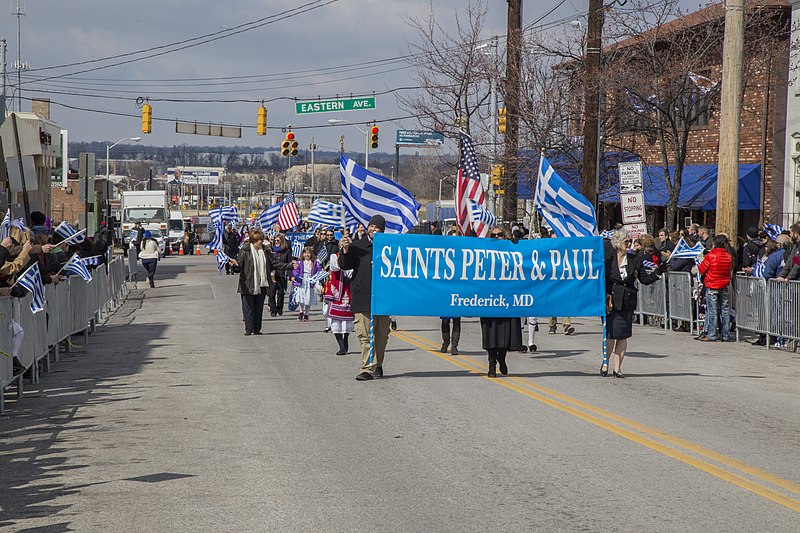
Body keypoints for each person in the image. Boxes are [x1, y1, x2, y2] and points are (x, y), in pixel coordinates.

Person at [604, 229, 665, 378]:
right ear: (618, 243)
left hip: (628, 300)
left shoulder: (634, 259)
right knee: (611, 334)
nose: (629, 244)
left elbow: (644, 279)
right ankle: (605, 362)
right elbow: (603, 280)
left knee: (623, 335)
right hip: (611, 300)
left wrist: (658, 272)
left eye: (630, 242)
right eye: (626, 242)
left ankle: (617, 368)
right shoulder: (608, 259)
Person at [338, 214, 391, 381]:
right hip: (362, 297)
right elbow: (345, 264)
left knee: (381, 336)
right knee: (365, 335)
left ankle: (378, 364)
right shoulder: (358, 246)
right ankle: (367, 368)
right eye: (371, 226)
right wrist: (345, 250)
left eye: (376, 227)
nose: (372, 229)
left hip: (383, 298)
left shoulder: (389, 247)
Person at [231, 229, 293, 336]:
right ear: (253, 241)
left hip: (262, 284)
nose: (261, 242)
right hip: (248, 284)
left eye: (262, 239)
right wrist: (235, 265)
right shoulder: (245, 251)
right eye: (259, 240)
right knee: (248, 309)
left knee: (258, 308)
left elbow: (275, 263)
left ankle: (257, 329)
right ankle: (248, 329)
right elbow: (240, 265)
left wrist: (289, 266)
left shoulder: (265, 251)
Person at [480, 225, 523, 377]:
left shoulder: (513, 251)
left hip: (508, 299)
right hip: (489, 300)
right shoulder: (484, 253)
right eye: (493, 235)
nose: (496, 237)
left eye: (499, 235)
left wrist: (516, 244)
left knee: (507, 334)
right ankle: (491, 365)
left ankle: (501, 357)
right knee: (490, 334)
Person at [698, 234, 734, 342]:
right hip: (724, 285)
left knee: (712, 310)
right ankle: (726, 334)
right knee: (725, 310)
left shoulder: (711, 255)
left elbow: (701, 269)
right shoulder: (728, 256)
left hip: (712, 284)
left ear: (714, 244)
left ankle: (712, 334)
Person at [323, 252, 354, 355]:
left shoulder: (354, 256)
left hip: (349, 289)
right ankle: (341, 346)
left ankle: (345, 340)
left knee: (347, 320)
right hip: (337, 290)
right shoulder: (334, 256)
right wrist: (342, 257)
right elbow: (335, 267)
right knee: (336, 320)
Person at [291, 246, 323, 321]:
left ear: (311, 254)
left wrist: (316, 277)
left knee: (308, 297)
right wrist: (297, 275)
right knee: (301, 297)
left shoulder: (314, 262)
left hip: (310, 280)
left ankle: (307, 314)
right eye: (305, 253)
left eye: (308, 253)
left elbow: (319, 270)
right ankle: (301, 311)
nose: (306, 255)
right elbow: (295, 270)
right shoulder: (300, 262)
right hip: (302, 280)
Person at [269, 233, 291, 316]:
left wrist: (290, 275)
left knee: (281, 293)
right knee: (271, 294)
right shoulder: (271, 250)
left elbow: (289, 264)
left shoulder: (287, 251)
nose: (276, 242)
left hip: (282, 275)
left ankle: (279, 308)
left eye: (278, 241)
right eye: (275, 241)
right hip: (273, 275)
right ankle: (273, 310)